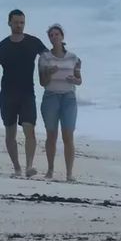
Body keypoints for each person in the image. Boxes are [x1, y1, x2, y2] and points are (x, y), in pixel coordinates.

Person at [0, 9, 48, 178]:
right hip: (7, 95)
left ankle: (29, 166)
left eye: (22, 23)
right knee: (10, 132)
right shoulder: (2, 46)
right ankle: (17, 168)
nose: (19, 26)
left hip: (27, 93)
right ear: (9, 23)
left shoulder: (33, 42)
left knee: (29, 129)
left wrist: (67, 63)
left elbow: (49, 57)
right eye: (16, 22)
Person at [38, 23, 82, 181]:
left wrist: (74, 79)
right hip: (51, 97)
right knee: (51, 135)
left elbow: (79, 80)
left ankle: (69, 174)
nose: (54, 37)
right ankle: (50, 171)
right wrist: (49, 73)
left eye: (57, 34)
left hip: (68, 97)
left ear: (62, 37)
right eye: (51, 35)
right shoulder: (44, 57)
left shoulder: (73, 57)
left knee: (68, 136)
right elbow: (42, 82)